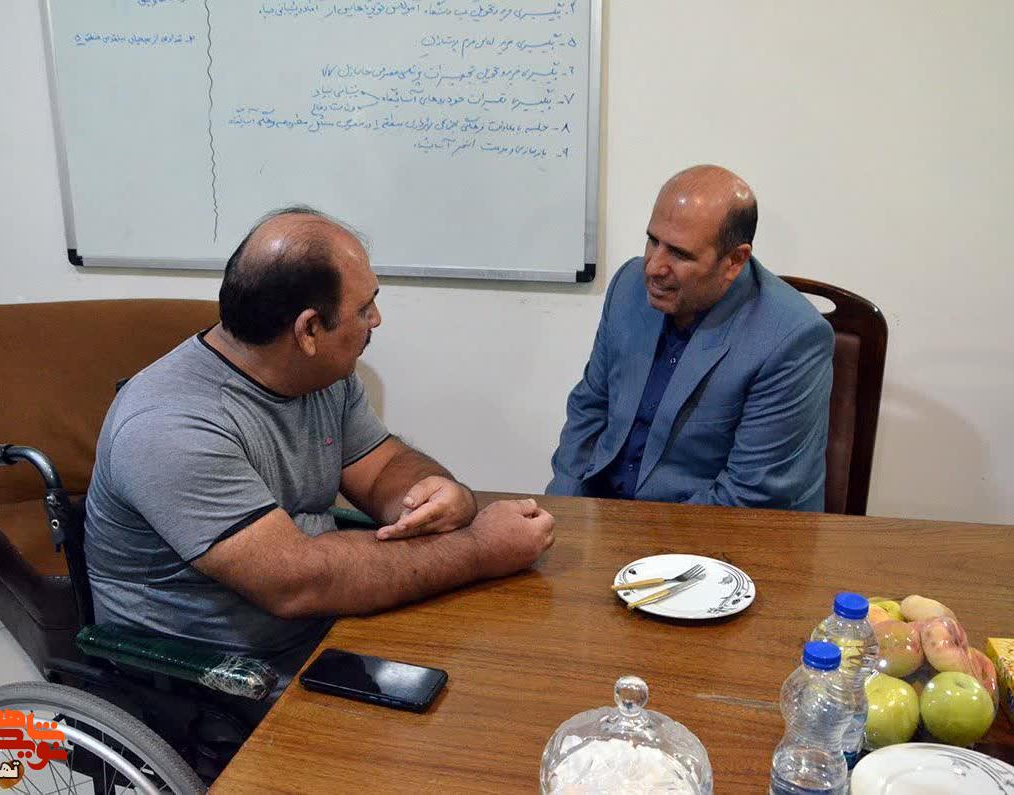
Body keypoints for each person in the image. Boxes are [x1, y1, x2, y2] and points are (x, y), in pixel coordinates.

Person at [85, 206, 555, 664]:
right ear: (308, 330)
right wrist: (481, 548)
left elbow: (383, 469)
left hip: (323, 636)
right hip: (216, 678)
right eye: (364, 308)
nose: (377, 320)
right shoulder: (170, 426)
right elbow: (296, 583)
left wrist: (431, 498)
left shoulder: (322, 376)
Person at [547, 165, 834, 510]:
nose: (653, 267)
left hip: (707, 530)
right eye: (653, 240)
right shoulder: (628, 287)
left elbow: (751, 495)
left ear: (734, 260)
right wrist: (562, 509)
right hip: (606, 514)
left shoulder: (791, 337)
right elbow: (589, 407)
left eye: (679, 254)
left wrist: (630, 535)